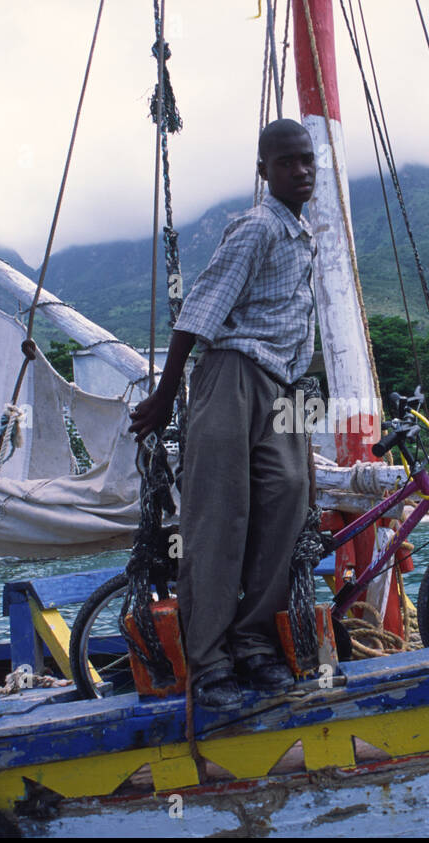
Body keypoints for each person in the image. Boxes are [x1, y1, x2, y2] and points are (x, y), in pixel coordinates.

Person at [128, 119, 317, 709]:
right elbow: (202, 311)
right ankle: (209, 663)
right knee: (219, 517)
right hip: (233, 375)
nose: (302, 171)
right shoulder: (257, 227)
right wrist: (165, 396)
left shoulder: (304, 234)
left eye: (308, 161)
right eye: (287, 163)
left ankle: (254, 642)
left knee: (288, 500)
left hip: (287, 385)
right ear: (264, 171)